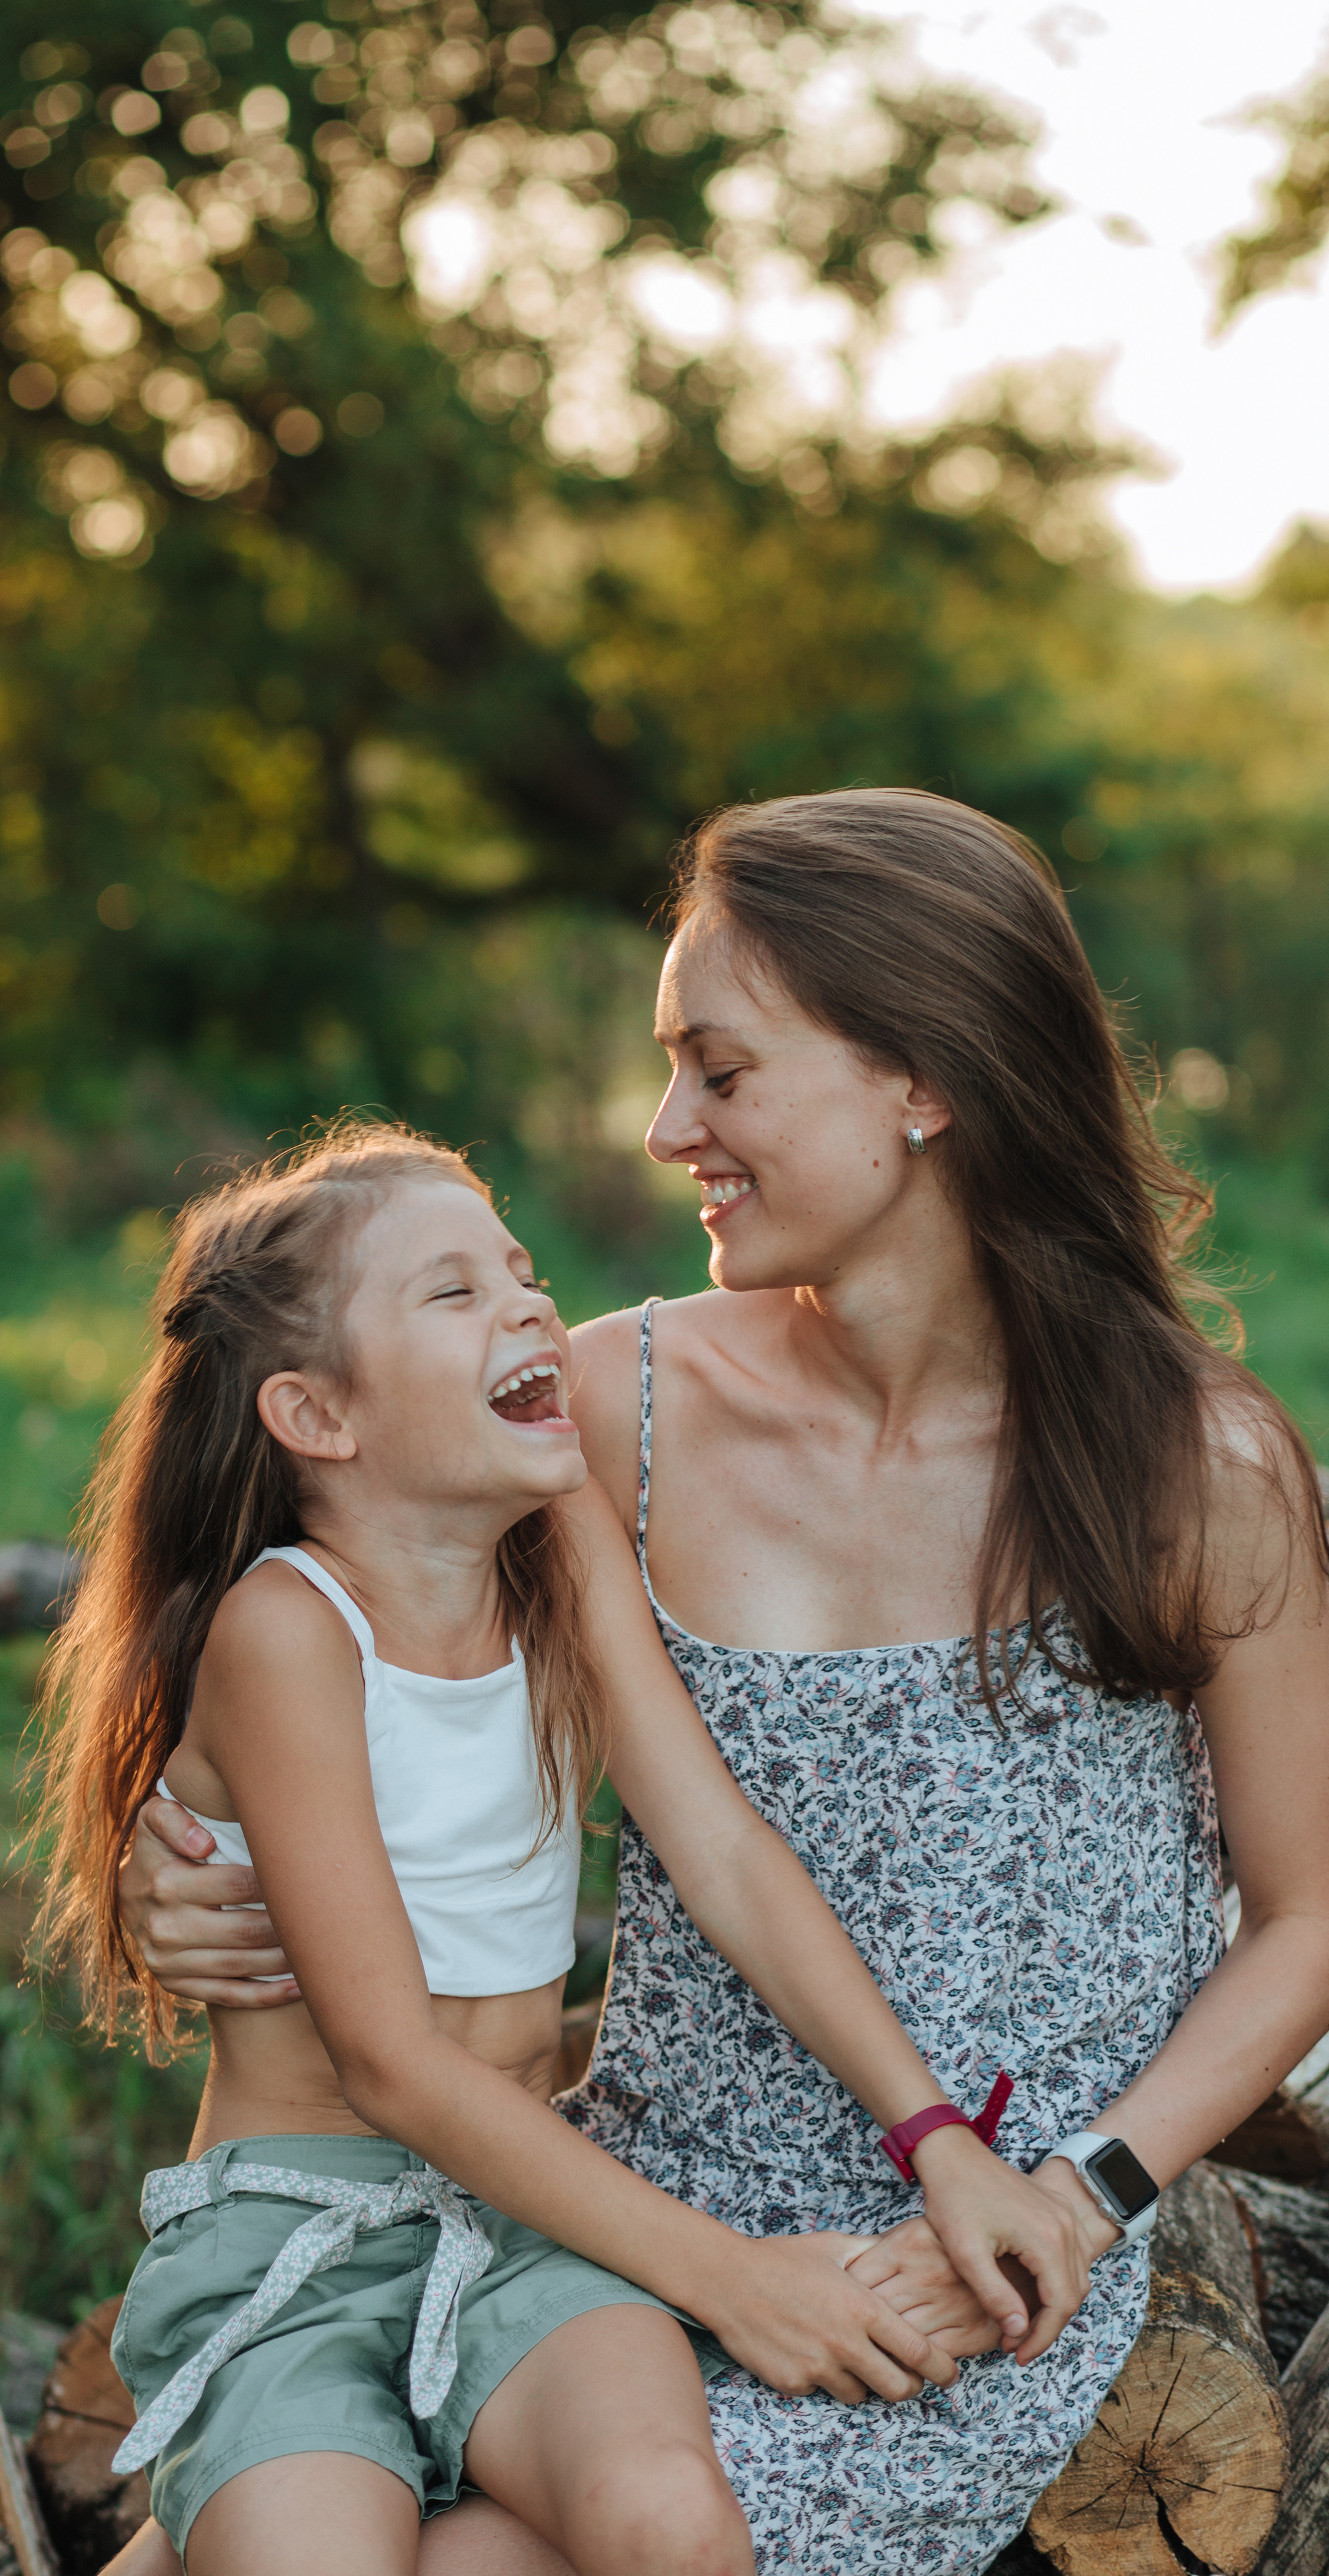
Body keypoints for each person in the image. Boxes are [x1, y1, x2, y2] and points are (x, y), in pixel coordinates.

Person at [118, 790, 1329, 2575]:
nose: (667, 1122)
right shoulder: (607, 1412)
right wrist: (179, 1845)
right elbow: (324, 1583)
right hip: (594, 2223)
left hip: (972, 2264)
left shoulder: (1191, 1467)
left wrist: (1090, 2196)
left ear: (919, 1082)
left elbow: (1309, 1917)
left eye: (722, 1070)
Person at [34, 1116, 1089, 2576]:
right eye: (452, 1293)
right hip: (303, 2242)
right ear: (317, 1417)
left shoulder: (554, 1543)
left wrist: (930, 2133)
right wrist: (730, 2283)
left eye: (518, 1267)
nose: (529, 1303)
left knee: (670, 2527)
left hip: (524, 2223)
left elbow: (718, 1848)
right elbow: (392, 2066)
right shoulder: (285, 1633)